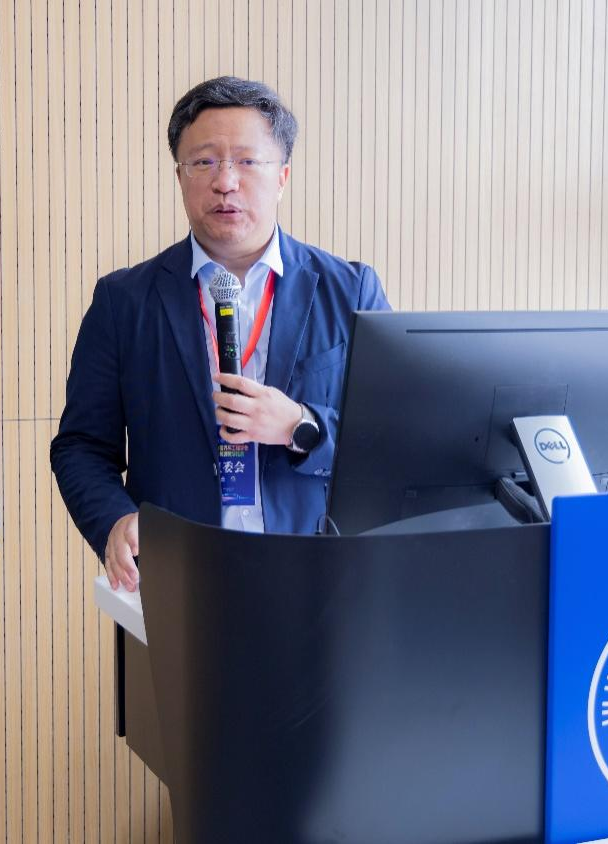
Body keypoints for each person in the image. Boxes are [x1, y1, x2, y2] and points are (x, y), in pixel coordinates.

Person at [50, 76, 391, 592]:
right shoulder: (124, 301)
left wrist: (299, 426)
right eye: (204, 162)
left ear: (282, 176)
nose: (225, 181)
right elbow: (81, 446)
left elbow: (388, 442)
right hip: (182, 582)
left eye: (247, 161)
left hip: (320, 580)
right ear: (180, 176)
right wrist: (114, 521)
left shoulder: (351, 290)